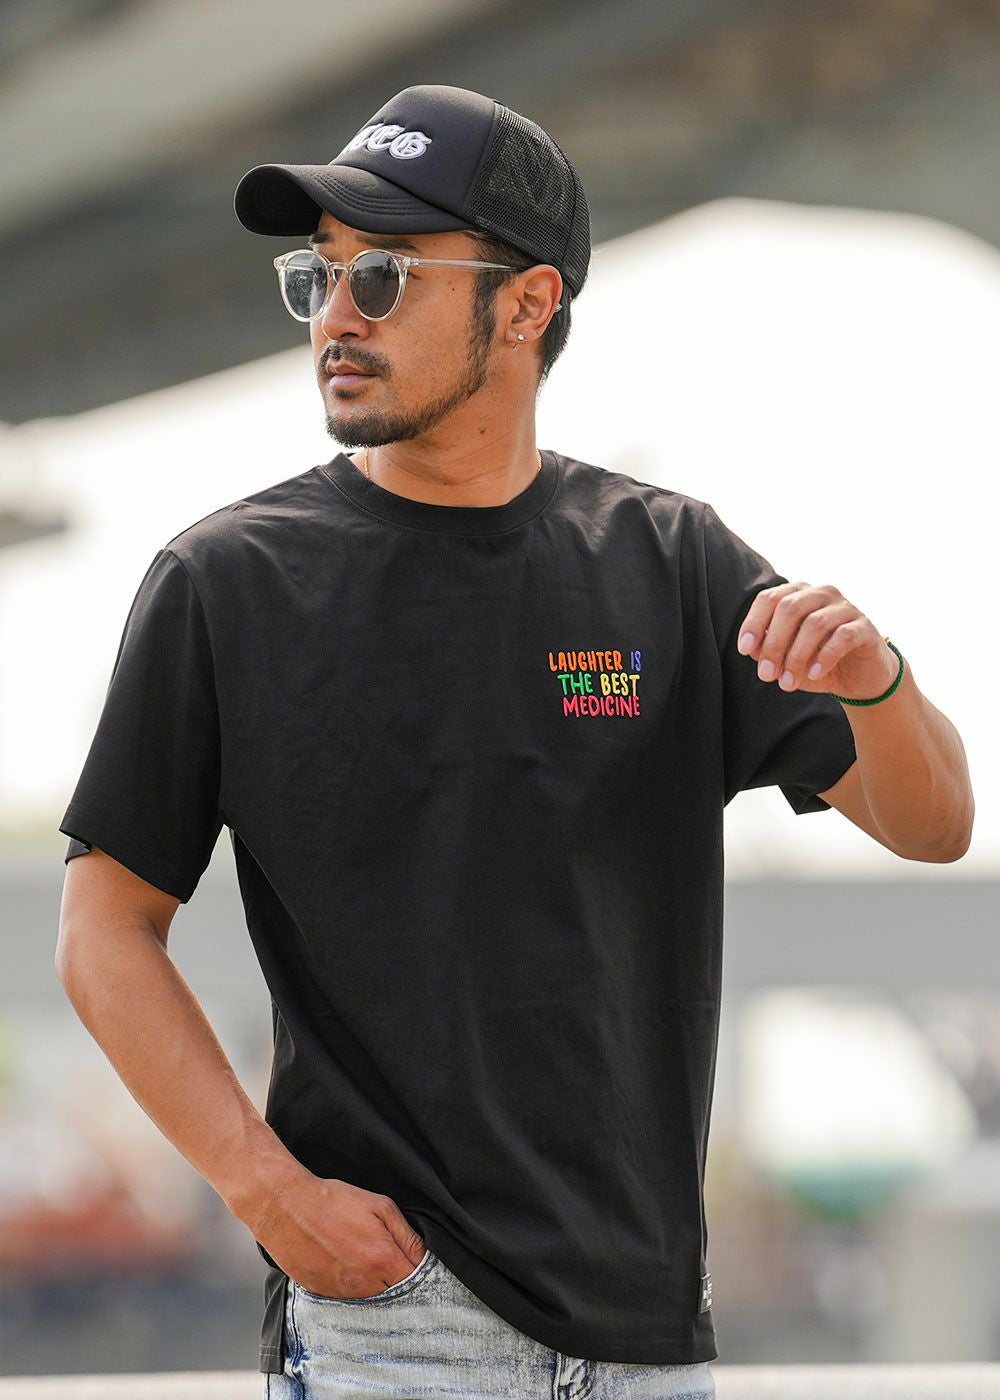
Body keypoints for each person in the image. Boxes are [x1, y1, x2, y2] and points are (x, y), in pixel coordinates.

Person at [55, 83, 974, 1400]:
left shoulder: (672, 564)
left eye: (382, 274)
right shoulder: (228, 583)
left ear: (528, 304)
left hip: (651, 1335)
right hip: (392, 1323)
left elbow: (935, 826)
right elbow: (103, 927)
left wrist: (878, 686)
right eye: (317, 276)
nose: (337, 316)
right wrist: (269, 1193)